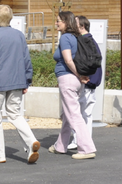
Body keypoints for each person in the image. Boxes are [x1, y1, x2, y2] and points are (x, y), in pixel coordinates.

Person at [0, 4, 40, 165]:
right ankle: (31, 141)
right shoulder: (19, 35)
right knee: (15, 114)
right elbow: (26, 59)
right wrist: (27, 80)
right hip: (17, 80)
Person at [49, 11, 96, 160]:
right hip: (75, 80)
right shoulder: (76, 37)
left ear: (66, 22)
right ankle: (60, 146)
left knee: (73, 114)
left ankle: (86, 148)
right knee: (68, 113)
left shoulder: (65, 38)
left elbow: (68, 60)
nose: (56, 23)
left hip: (68, 78)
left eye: (58, 21)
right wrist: (80, 76)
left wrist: (79, 75)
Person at [68, 15, 102, 151]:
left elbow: (84, 62)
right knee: (86, 113)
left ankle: (79, 140)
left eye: (75, 23)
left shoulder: (83, 41)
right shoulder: (91, 41)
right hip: (91, 82)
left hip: (86, 82)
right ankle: (85, 139)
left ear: (82, 26)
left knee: (80, 113)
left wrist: (82, 77)